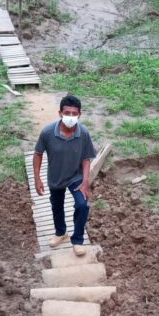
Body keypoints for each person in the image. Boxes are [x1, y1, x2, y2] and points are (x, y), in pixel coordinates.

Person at [33, 94, 96, 256]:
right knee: (57, 206)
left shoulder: (83, 133)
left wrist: (85, 181)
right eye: (67, 113)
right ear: (60, 113)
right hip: (56, 175)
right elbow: (38, 153)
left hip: (76, 176)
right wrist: (37, 178)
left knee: (82, 205)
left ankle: (78, 240)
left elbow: (86, 158)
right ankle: (61, 233)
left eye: (74, 114)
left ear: (80, 114)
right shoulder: (47, 132)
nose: (71, 117)